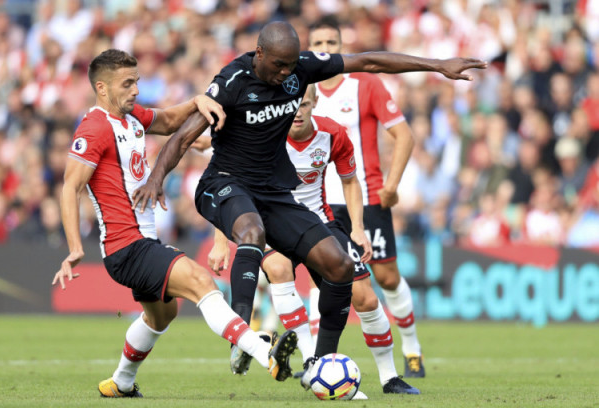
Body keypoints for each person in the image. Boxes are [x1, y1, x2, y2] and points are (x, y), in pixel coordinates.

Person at [132, 21, 485, 380]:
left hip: (274, 192)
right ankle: (242, 337)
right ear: (260, 53)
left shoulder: (302, 68)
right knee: (252, 232)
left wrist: (437, 65)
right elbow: (184, 135)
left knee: (339, 265)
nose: (286, 73)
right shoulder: (232, 81)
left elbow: (368, 62)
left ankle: (320, 365)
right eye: (279, 65)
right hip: (224, 182)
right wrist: (156, 179)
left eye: (290, 65)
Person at [51, 49, 298, 398]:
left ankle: (121, 382)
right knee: (200, 280)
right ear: (102, 88)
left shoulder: (131, 117)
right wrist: (75, 247)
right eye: (127, 84)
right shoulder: (93, 128)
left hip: (142, 242)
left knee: (161, 316)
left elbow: (167, 121)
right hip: (126, 246)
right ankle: (263, 352)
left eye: (136, 81)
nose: (136, 90)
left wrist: (198, 100)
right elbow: (70, 186)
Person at [209, 84, 421, 395]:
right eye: (291, 105)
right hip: (273, 225)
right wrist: (220, 242)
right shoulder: (262, 136)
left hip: (319, 224)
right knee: (278, 268)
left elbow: (351, 181)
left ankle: (390, 378)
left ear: (315, 102)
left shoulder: (332, 133)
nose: (297, 112)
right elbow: (230, 186)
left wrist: (357, 228)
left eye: (304, 104)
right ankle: (312, 362)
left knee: (365, 298)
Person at [307, 17, 424, 377]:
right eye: (318, 44)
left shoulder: (365, 84)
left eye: (331, 43)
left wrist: (392, 185)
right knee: (323, 274)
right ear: (308, 49)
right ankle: (316, 358)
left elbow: (404, 136)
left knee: (386, 277)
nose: (325, 50)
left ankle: (412, 348)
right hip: (319, 201)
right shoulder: (301, 91)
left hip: (367, 197)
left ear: (341, 47)